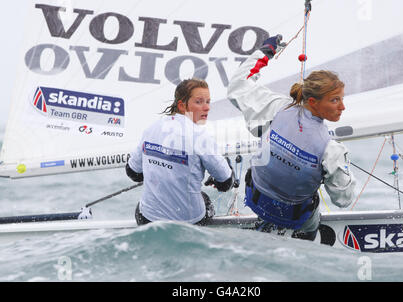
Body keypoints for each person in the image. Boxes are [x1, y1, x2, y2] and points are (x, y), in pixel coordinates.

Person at [227, 35, 356, 240]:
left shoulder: (278, 108)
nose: (342, 107)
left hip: (255, 200)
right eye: (335, 100)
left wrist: (264, 52)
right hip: (295, 219)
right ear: (313, 101)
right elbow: (343, 200)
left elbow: (237, 86)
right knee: (308, 215)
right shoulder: (332, 150)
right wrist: (343, 167)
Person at [126, 78, 234, 226]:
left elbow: (133, 173)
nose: (207, 107)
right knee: (205, 200)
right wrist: (227, 169)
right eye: (199, 102)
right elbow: (225, 183)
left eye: (208, 101)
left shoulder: (152, 128)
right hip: (190, 222)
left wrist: (161, 169)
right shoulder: (201, 137)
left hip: (147, 219)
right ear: (182, 105)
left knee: (145, 206)